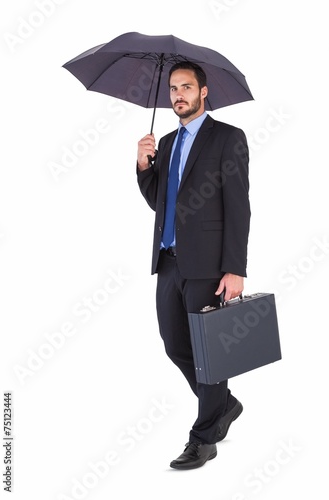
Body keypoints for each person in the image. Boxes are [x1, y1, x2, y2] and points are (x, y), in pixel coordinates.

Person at [136, 61, 251, 470]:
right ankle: (222, 404)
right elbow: (160, 202)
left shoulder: (228, 138)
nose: (178, 95)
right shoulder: (165, 143)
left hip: (208, 265)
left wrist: (234, 268)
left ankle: (203, 438)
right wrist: (144, 164)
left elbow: (239, 208)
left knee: (209, 354)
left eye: (186, 87)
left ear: (204, 93)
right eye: (173, 89)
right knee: (175, 344)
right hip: (168, 263)